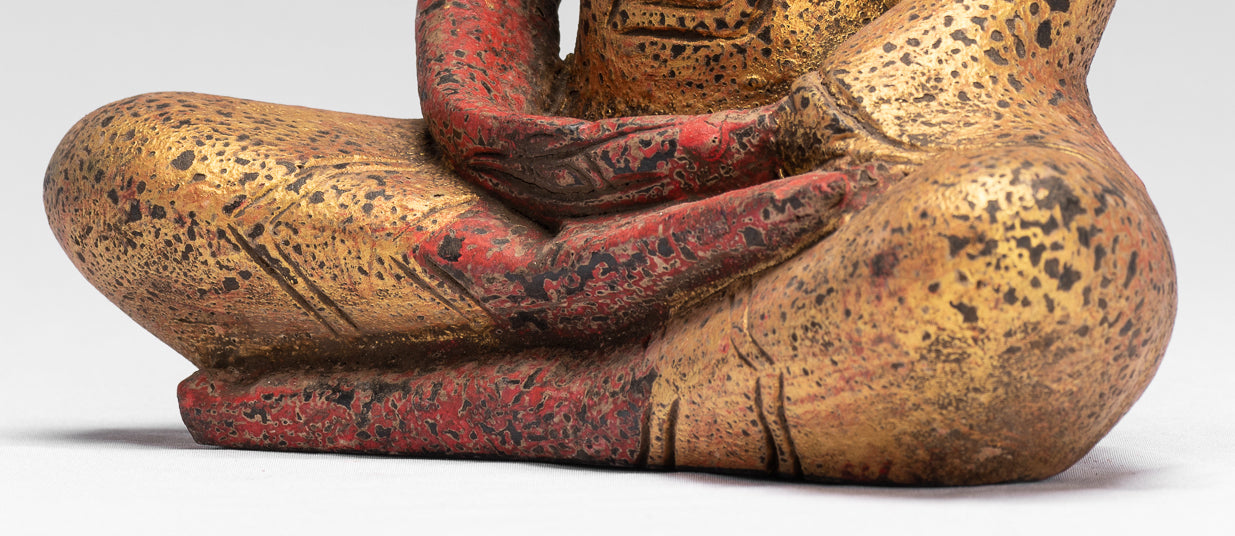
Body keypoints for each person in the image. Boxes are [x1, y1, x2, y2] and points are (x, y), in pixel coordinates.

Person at [46, 0, 1175, 485]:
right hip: (553, 179)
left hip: (872, 185)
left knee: (1040, 240)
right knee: (125, 163)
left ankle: (547, 400)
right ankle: (544, 319)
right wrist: (498, 141)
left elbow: (985, 42)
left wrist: (757, 140)